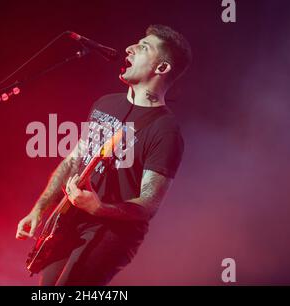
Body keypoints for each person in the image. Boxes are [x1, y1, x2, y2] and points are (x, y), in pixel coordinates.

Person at [16, 24, 192, 285]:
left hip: (112, 233)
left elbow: (148, 205)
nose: (129, 49)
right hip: (70, 222)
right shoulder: (106, 103)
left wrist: (99, 208)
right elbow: (74, 160)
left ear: (162, 68)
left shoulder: (165, 131)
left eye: (143, 47)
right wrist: (39, 210)